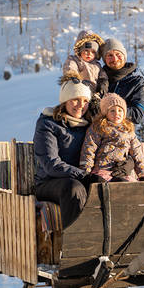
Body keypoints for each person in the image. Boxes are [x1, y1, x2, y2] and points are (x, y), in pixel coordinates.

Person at [33, 72, 103, 228]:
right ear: (65, 101)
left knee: (118, 186)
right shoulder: (48, 124)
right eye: (75, 100)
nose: (81, 105)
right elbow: (51, 164)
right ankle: (75, 244)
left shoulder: (90, 125)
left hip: (82, 178)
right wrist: (84, 177)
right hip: (50, 183)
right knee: (75, 189)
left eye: (85, 101)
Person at [79, 93, 144, 182]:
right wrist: (86, 172)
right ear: (105, 113)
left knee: (128, 185)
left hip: (121, 171)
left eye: (120, 110)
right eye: (112, 111)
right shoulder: (98, 127)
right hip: (102, 170)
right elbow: (89, 149)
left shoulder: (128, 131)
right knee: (102, 184)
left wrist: (143, 174)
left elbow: (137, 154)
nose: (117, 113)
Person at [99, 38, 144, 126]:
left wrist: (113, 110)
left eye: (118, 54)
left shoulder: (136, 81)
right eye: (110, 55)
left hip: (124, 132)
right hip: (97, 131)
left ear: (124, 56)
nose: (114, 59)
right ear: (104, 59)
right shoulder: (99, 78)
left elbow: (139, 114)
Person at [62, 30, 108, 117]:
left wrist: (103, 84)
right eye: (86, 50)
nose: (89, 54)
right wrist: (73, 77)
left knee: (96, 112)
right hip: (79, 92)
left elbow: (103, 76)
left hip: (94, 95)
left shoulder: (97, 65)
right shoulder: (75, 60)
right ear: (80, 50)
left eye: (93, 52)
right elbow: (70, 67)